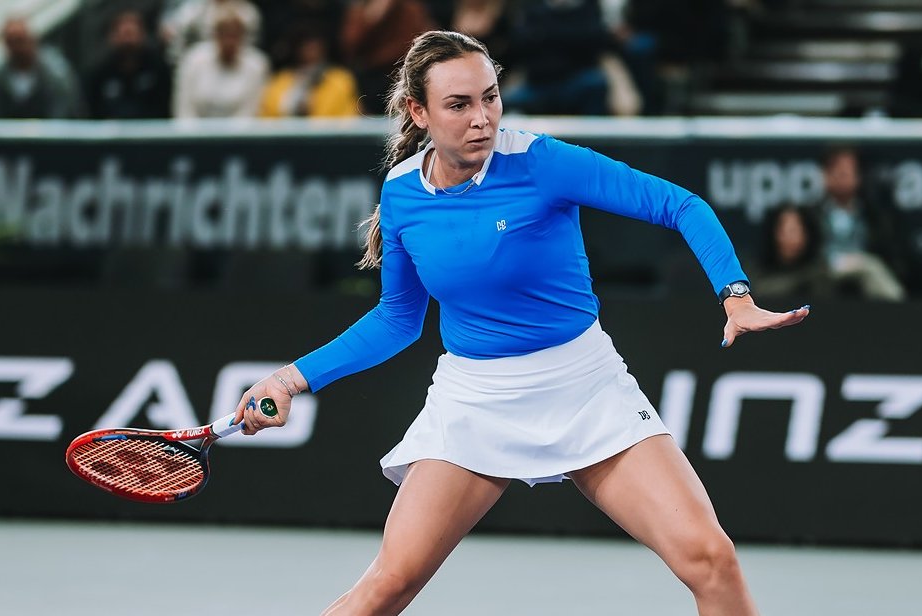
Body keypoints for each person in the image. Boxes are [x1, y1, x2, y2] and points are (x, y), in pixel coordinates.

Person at [230, 30, 807, 615]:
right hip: (475, 400)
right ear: (418, 111)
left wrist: (735, 295)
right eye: (459, 104)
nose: (481, 118)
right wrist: (292, 378)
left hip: (585, 387)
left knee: (711, 560)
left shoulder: (540, 162)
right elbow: (398, 320)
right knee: (389, 584)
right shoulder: (402, 193)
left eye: (490, 97)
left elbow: (680, 205)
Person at [817, 146, 906, 302]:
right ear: (826, 175)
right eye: (837, 171)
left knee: (871, 267)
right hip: (826, 269)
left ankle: (897, 310)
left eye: (847, 171)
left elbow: (887, 250)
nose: (842, 176)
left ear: (858, 176)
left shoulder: (872, 214)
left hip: (863, 266)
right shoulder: (813, 214)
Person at [173, 9, 269, 118]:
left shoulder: (257, 65)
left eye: (234, 35)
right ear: (215, 35)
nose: (229, 41)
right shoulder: (193, 59)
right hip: (196, 128)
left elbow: (251, 111)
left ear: (243, 37)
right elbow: (184, 109)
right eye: (224, 34)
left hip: (241, 129)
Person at [0, 16, 81, 119]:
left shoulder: (56, 75)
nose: (17, 48)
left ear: (32, 40)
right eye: (11, 42)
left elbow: (64, 114)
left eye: (20, 40)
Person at [85, 10, 172, 119]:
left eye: (131, 34)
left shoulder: (158, 69)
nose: (128, 41)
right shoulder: (99, 75)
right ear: (112, 37)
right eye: (123, 34)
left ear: (142, 35)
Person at [259, 25, 360, 118]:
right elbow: (268, 113)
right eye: (306, 46)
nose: (311, 50)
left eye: (315, 46)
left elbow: (348, 115)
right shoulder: (282, 79)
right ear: (297, 49)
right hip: (286, 129)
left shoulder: (340, 78)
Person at [753, 204, 833, 300]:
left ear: (807, 234)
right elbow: (759, 290)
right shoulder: (758, 266)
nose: (788, 238)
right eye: (783, 231)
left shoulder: (818, 269)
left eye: (794, 231)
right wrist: (800, 281)